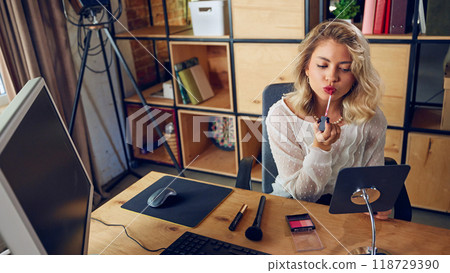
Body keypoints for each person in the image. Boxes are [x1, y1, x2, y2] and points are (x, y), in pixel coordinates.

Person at [266, 20, 390, 219]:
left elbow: (371, 182)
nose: (331, 77)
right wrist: (320, 148)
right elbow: (302, 195)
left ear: (357, 75)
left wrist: (378, 201)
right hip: (293, 207)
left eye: (345, 68)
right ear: (306, 67)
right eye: (322, 65)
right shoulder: (281, 116)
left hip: (349, 211)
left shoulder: (371, 118)